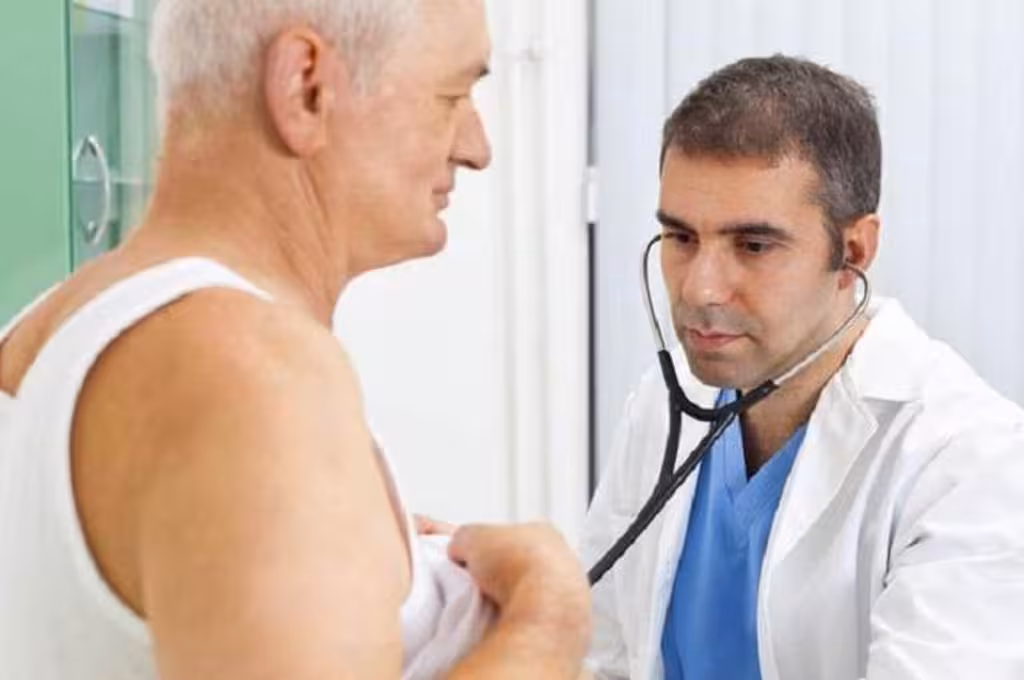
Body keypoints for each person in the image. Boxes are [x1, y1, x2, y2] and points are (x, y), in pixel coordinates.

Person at [0, 0, 591, 678]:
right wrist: (548, 617)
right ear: (305, 86)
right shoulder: (250, 375)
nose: (476, 148)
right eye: (451, 97)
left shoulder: (49, 328)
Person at [581, 55, 1024, 680]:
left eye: (753, 245)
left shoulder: (969, 463)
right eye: (681, 238)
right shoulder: (667, 401)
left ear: (854, 251)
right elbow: (603, 654)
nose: (700, 288)